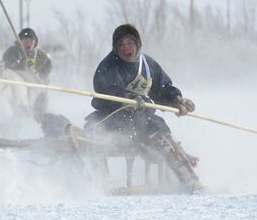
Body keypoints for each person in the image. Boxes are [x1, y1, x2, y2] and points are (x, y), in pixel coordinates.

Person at [85, 23, 201, 190]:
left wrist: (177, 100)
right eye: (121, 45)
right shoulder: (109, 65)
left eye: (130, 43)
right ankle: (99, 186)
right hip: (112, 118)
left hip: (141, 120)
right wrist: (127, 98)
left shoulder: (148, 65)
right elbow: (108, 89)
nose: (126, 48)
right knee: (93, 132)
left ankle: (190, 180)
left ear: (137, 44)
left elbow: (162, 90)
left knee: (159, 128)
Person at [0, 28, 52, 120]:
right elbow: (8, 66)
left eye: (31, 41)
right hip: (15, 83)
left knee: (43, 93)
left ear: (35, 42)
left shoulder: (39, 55)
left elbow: (48, 65)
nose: (29, 43)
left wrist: (42, 76)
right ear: (20, 41)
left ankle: (40, 116)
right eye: (26, 41)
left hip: (34, 83)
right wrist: (22, 65)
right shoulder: (12, 51)